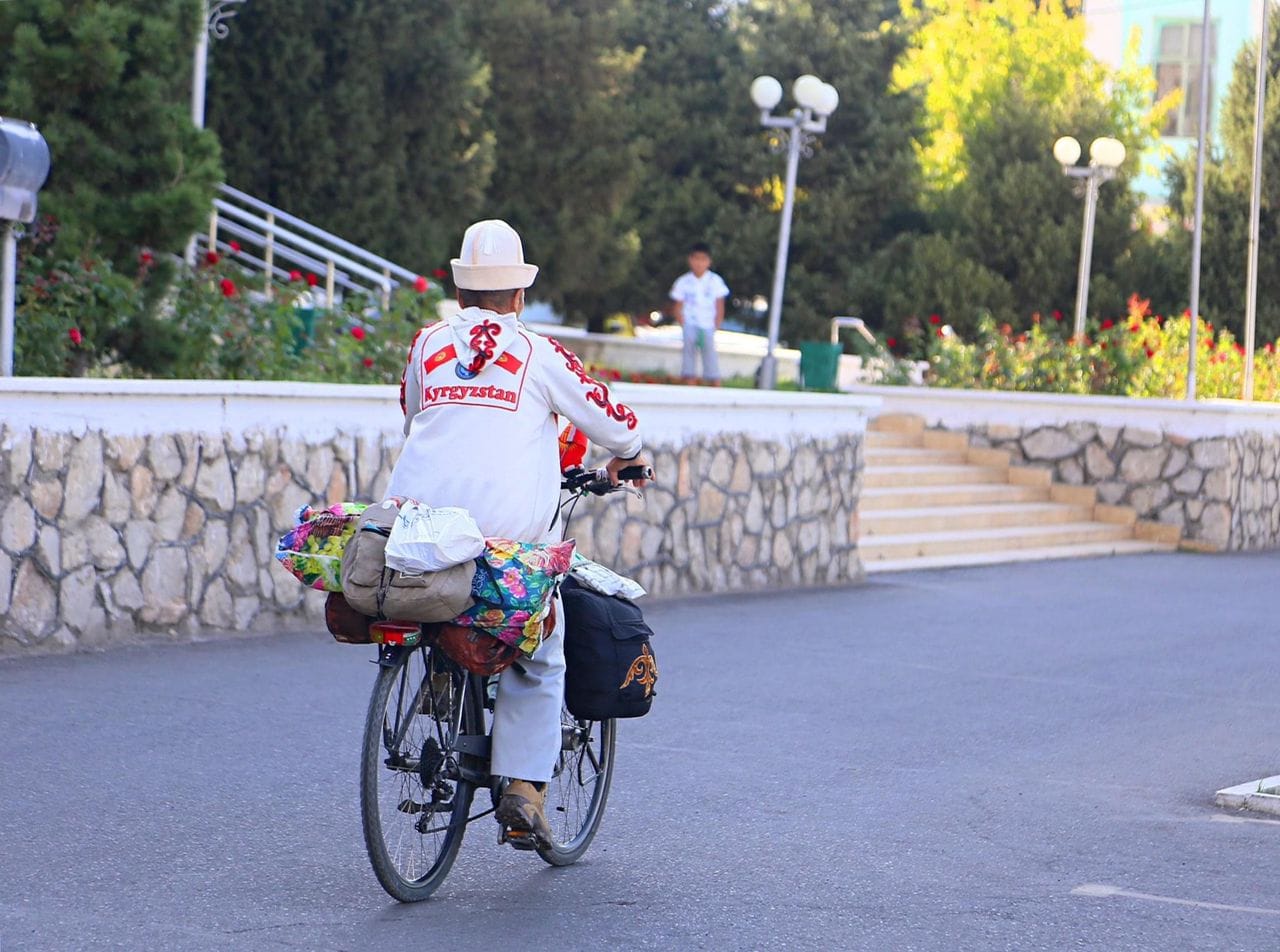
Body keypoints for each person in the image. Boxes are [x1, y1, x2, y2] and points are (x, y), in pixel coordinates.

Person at [387, 219, 651, 849]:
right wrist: (631, 454)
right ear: (519, 296)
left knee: (446, 593)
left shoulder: (427, 344)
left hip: (419, 531)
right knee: (542, 640)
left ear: (460, 291)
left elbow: (414, 413)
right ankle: (523, 791)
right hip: (503, 544)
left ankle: (443, 672)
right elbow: (612, 419)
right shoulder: (538, 352)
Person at [669, 242, 730, 385]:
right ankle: (689, 379)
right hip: (690, 322)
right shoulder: (684, 281)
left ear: (709, 261)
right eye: (696, 259)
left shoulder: (715, 281)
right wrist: (683, 322)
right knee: (689, 350)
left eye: (703, 259)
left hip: (708, 323)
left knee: (710, 352)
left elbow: (719, 305)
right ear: (690, 260)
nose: (699, 263)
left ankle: (714, 380)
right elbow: (678, 305)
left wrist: (717, 323)